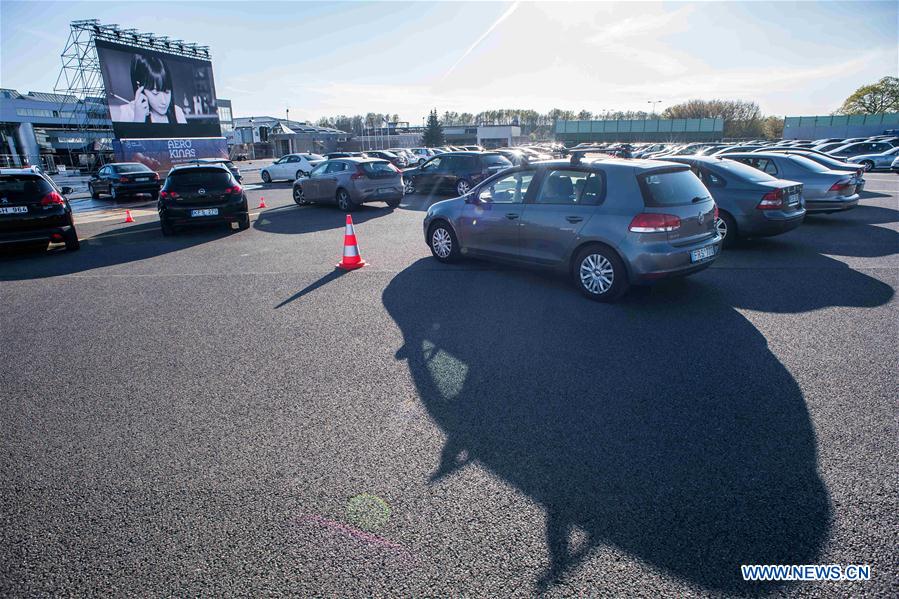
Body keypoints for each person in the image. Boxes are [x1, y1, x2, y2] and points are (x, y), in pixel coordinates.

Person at [119, 53, 187, 124]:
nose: (164, 101)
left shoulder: (177, 112)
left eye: (167, 92)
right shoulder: (128, 112)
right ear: (140, 87)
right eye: (155, 93)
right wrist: (139, 119)